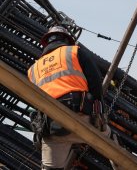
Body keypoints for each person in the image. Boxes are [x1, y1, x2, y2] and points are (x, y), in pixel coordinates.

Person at [28, 25, 110, 169]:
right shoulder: (74, 51)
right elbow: (96, 84)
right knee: (112, 144)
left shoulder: (33, 69)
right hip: (82, 120)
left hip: (53, 128)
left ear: (46, 43)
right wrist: (99, 113)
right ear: (67, 39)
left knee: (49, 167)